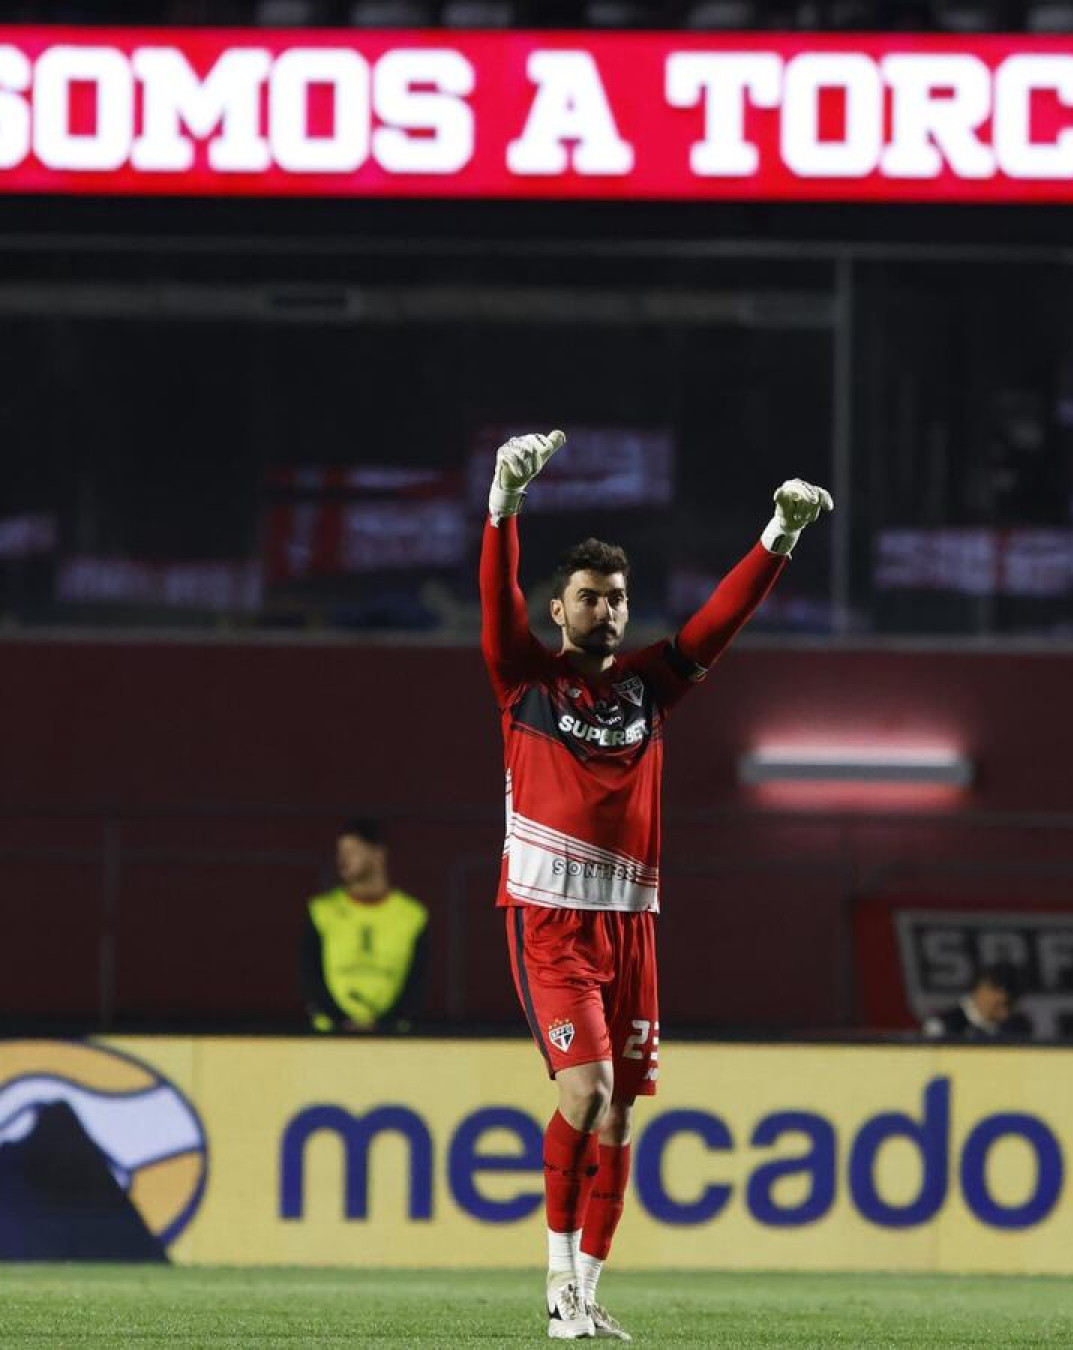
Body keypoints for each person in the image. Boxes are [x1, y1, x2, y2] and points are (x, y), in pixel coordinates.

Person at [481, 430, 830, 1342]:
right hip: (550, 919)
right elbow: (493, 609)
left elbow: (716, 623)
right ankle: (557, 1284)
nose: (607, 610)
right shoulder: (526, 683)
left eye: (618, 598)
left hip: (631, 927)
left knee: (622, 1113)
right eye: (590, 598)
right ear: (558, 610)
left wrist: (776, 539)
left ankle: (590, 1295)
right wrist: (503, 509)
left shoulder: (647, 689)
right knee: (585, 1093)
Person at [300, 819, 428, 1034]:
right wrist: (341, 1022)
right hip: (330, 1037)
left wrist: (384, 1025)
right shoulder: (321, 911)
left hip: (394, 1039)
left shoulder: (412, 915)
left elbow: (418, 984)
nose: (343, 860)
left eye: (353, 851)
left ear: (378, 855)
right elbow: (310, 978)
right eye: (340, 852)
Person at [921, 962, 1034, 1041]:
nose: (1006, 1014)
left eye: (1012, 1006)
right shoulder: (943, 1026)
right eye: (1003, 1004)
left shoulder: (1019, 1028)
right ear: (983, 988)